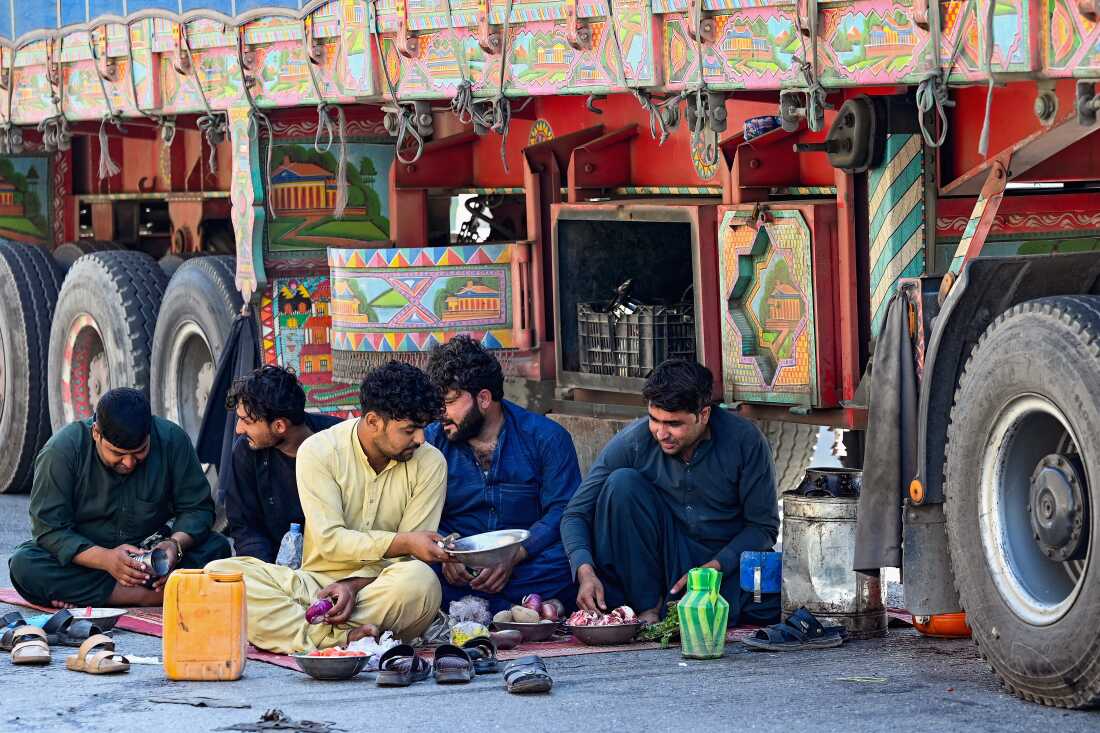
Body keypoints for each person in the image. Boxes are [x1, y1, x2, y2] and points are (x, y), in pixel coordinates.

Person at [206, 362, 450, 653]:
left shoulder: (430, 462)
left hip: (380, 586)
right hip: (313, 585)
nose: (420, 439)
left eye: (422, 429)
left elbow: (412, 557)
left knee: (421, 583)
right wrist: (403, 541)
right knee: (217, 575)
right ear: (373, 421)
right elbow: (330, 540)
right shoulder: (319, 451)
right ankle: (340, 637)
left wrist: (354, 585)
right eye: (409, 430)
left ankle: (303, 632)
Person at [560, 359, 781, 626]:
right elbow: (575, 514)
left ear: (704, 415)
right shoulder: (634, 441)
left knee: (770, 601)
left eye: (674, 424)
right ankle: (648, 608)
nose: (661, 433)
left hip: (721, 565)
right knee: (622, 484)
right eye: (655, 420)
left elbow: (762, 528)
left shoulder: (746, 441)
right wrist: (585, 572)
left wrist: (713, 569)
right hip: (656, 565)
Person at [8, 388, 231, 608]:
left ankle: (98, 596)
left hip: (151, 561)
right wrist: (106, 559)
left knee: (217, 548)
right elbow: (50, 530)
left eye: (140, 451)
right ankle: (154, 595)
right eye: (117, 453)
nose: (129, 463)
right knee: (25, 565)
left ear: (150, 434)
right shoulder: (61, 451)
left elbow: (197, 509)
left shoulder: (172, 440)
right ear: (96, 433)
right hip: (89, 560)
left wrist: (174, 546)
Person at [425, 336, 581, 613]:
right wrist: (446, 553)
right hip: (456, 568)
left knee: (574, 559)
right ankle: (531, 607)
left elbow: (564, 508)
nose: (441, 414)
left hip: (527, 562)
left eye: (448, 402)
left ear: (483, 398)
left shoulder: (546, 437)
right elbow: (414, 513)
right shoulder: (429, 443)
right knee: (415, 570)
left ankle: (492, 607)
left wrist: (517, 554)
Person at [221, 365, 343, 562]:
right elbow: (245, 528)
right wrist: (270, 573)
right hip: (273, 566)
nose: (238, 429)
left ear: (279, 426)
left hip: (336, 563)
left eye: (246, 421)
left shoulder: (339, 441)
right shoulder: (246, 450)